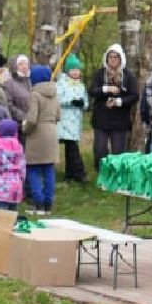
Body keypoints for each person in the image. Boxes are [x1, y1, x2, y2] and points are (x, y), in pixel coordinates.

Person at [89, 44, 138, 174]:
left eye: (116, 57)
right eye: (110, 57)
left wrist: (119, 101)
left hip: (120, 120)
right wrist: (106, 89)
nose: (113, 60)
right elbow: (92, 90)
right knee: (100, 149)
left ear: (121, 58)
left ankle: (117, 175)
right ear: (106, 58)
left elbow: (134, 95)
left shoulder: (127, 76)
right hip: (101, 119)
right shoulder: (100, 74)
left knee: (118, 150)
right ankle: (102, 173)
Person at [23, 64, 60, 214]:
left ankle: (38, 203)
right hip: (52, 131)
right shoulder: (55, 93)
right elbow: (58, 116)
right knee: (49, 169)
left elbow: (32, 119)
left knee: (33, 169)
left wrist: (24, 129)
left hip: (38, 133)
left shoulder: (35, 94)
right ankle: (48, 204)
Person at [0, 118, 26, 221]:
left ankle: (2, 236)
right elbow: (23, 170)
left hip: (2, 188)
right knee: (12, 217)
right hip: (16, 187)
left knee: (2, 218)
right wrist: (21, 183)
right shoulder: (19, 148)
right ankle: (13, 235)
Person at [56, 55, 89, 184]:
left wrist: (82, 104)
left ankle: (69, 174)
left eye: (77, 69)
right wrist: (71, 102)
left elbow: (85, 102)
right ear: (67, 71)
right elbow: (58, 100)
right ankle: (79, 173)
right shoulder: (61, 84)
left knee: (71, 147)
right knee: (72, 148)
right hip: (65, 121)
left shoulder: (81, 85)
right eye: (72, 69)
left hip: (76, 121)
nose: (75, 72)